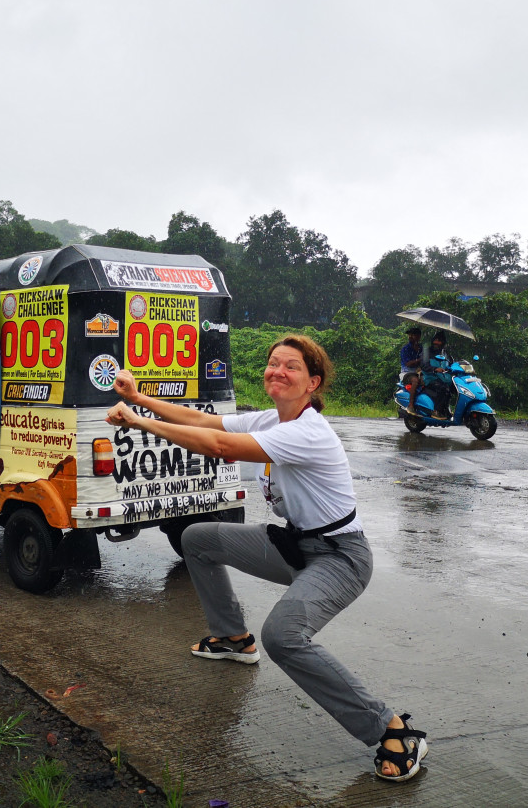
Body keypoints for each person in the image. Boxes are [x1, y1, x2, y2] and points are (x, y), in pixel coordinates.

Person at [105, 335, 428, 783]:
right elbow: (205, 421)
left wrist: (138, 422)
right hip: (293, 545)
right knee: (197, 538)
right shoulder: (273, 421)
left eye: (290, 366)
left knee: (284, 636)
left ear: (312, 383)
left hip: (339, 558)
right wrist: (138, 399)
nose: (278, 371)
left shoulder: (307, 431)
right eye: (273, 363)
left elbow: (218, 446)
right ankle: (232, 638)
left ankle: (392, 729)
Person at [419, 331, 452, 419]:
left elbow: (452, 364)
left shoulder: (445, 353)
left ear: (443, 343)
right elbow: (424, 365)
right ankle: (436, 411)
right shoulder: (427, 351)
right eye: (435, 340)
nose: (436, 342)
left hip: (443, 378)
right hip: (429, 377)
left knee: (454, 388)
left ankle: (446, 409)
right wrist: (434, 369)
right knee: (444, 388)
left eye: (439, 341)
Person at [401, 327, 424, 415]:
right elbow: (407, 363)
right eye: (410, 335)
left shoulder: (421, 348)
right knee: (415, 381)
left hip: (419, 372)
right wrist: (419, 360)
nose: (410, 336)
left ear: (418, 336)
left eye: (413, 335)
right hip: (407, 373)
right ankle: (410, 405)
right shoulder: (405, 348)